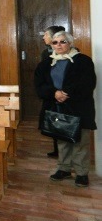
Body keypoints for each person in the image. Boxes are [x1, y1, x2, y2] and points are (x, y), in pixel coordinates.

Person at [34, 31, 96, 188]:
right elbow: (40, 85)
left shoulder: (83, 61)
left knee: (80, 141)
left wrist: (65, 93)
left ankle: (81, 173)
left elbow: (88, 82)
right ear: (51, 45)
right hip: (56, 106)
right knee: (62, 139)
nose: (59, 45)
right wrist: (54, 93)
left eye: (63, 41)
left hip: (78, 106)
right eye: (55, 42)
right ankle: (64, 169)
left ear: (70, 43)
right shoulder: (45, 63)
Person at [40, 25, 66, 157]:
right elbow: (43, 75)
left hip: (65, 95)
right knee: (54, 122)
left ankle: (65, 154)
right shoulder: (46, 53)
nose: (43, 37)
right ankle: (57, 150)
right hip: (51, 94)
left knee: (65, 123)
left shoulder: (71, 53)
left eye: (45, 34)